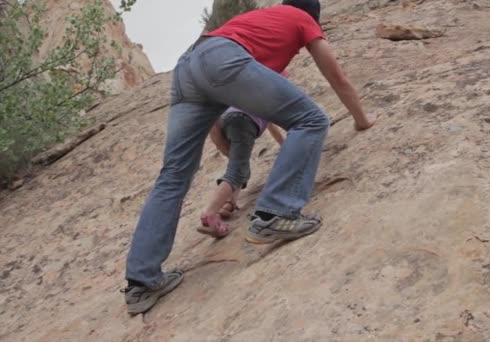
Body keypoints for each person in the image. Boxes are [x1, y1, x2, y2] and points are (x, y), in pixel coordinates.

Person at [122, 0, 376, 315]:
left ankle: (141, 282)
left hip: (188, 66)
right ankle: (275, 214)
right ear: (315, 16)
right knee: (312, 119)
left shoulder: (260, 19)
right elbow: (337, 77)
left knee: (173, 175)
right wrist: (362, 120)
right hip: (221, 59)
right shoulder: (302, 19)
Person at [198, 85, 286, 237]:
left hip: (225, 121)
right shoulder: (268, 90)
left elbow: (271, 125)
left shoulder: (245, 89)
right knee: (238, 172)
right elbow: (276, 120)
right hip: (243, 120)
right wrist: (286, 147)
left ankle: (228, 204)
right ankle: (210, 214)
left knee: (239, 166)